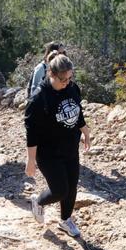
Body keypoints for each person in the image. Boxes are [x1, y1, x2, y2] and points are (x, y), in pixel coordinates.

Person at [25, 52, 91, 238]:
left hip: (70, 148)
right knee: (60, 190)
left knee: (72, 187)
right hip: (48, 153)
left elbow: (77, 111)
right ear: (51, 74)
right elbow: (32, 131)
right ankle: (38, 201)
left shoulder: (72, 88)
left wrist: (85, 130)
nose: (68, 82)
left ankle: (65, 220)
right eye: (63, 79)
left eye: (70, 78)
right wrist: (31, 160)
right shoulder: (39, 98)